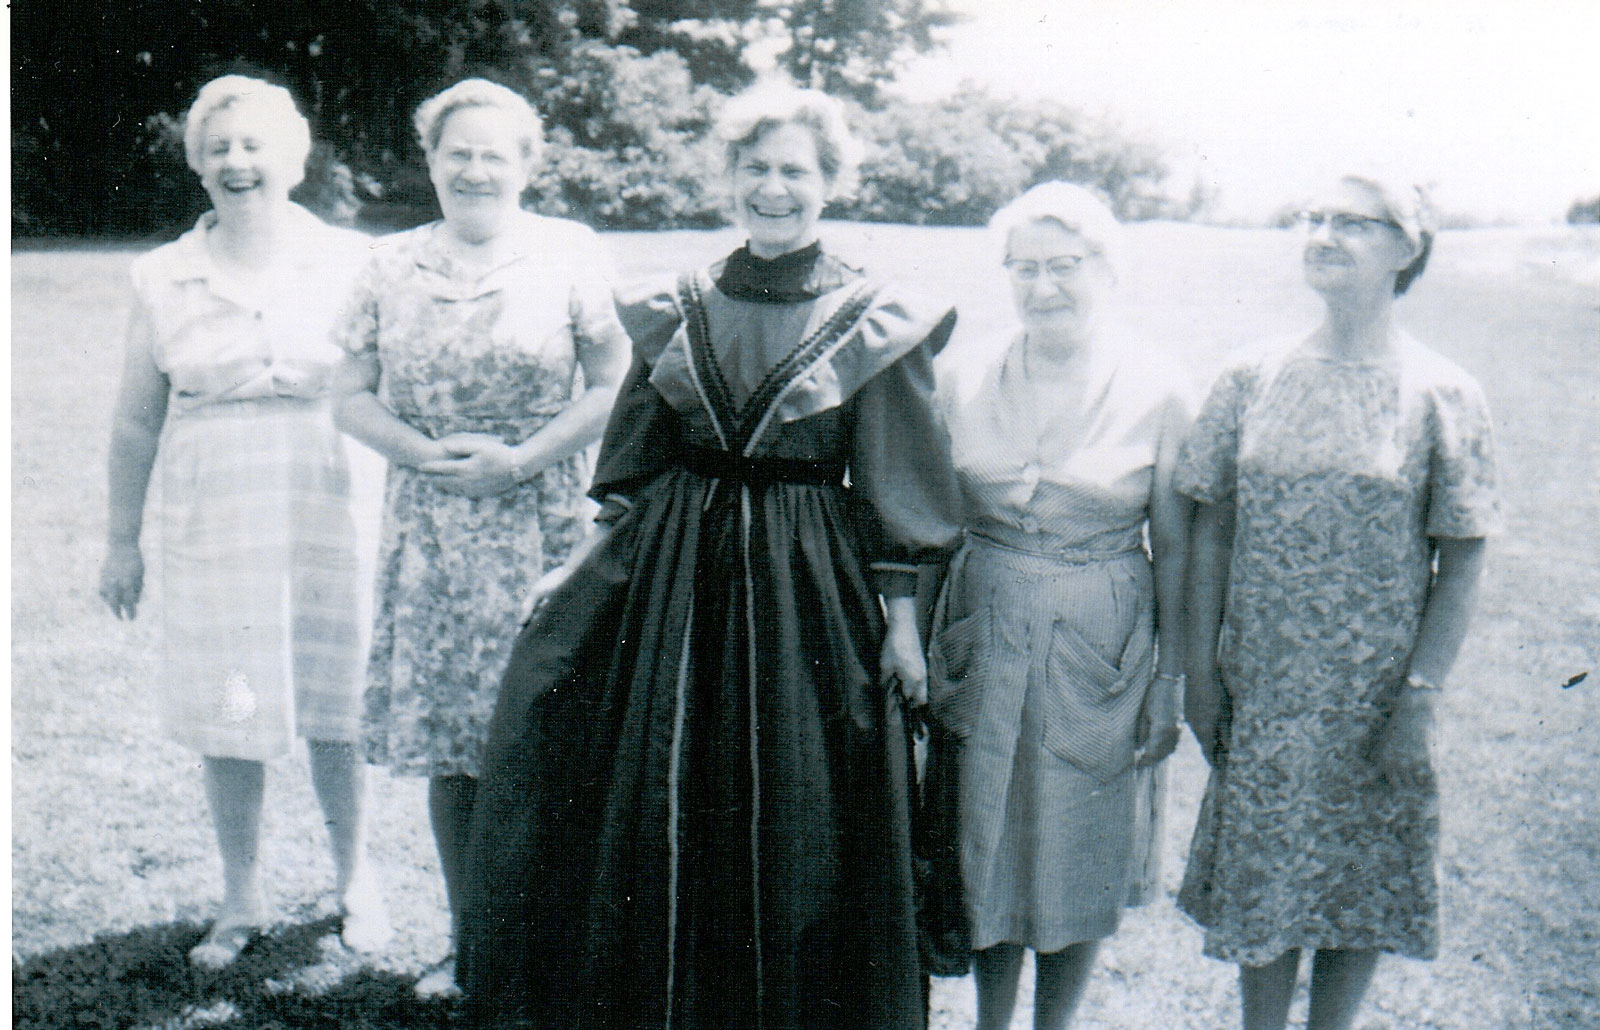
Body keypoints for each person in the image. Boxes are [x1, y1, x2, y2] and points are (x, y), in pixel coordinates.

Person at [456, 82, 962, 1029]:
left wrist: (902, 631)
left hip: (807, 584)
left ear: (832, 183)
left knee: (797, 799)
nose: (774, 188)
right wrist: (575, 567)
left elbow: (900, 489)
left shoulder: (873, 315)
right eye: (755, 168)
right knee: (658, 777)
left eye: (795, 171)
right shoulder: (675, 302)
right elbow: (633, 467)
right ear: (728, 177)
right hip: (673, 575)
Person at [1176, 175, 1501, 1030]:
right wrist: (1202, 679)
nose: (1323, 233)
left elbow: (1462, 557)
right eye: (1313, 216)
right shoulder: (1251, 375)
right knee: (1268, 877)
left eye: (1354, 222)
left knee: (1358, 877)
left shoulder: (1444, 392)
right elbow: (1211, 530)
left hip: (1374, 699)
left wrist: (1419, 699)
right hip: (1267, 690)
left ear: (1409, 248)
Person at [331, 77, 631, 999]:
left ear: (528, 165)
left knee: (557, 733)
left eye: (494, 153)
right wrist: (422, 454)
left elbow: (614, 382)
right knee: (457, 747)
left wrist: (524, 457)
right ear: (429, 162)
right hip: (434, 532)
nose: (473, 169)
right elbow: (346, 395)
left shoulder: (569, 252)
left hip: (547, 524)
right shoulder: (386, 265)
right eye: (455, 152)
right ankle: (475, 942)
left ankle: (565, 942)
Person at [98, 74, 388, 970]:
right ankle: (242, 892)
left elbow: (389, 386)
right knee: (233, 701)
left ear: (295, 159)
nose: (237, 162)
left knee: (338, 703)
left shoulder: (356, 264)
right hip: (215, 510)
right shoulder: (161, 274)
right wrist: (120, 541)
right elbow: (135, 420)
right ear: (196, 165)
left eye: (255, 145)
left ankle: (355, 882)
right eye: (218, 148)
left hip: (331, 498)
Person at [927, 182, 1191, 1030]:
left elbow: (1179, 548)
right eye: (1025, 268)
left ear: (1106, 269)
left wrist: (1167, 681)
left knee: (1078, 844)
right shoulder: (963, 374)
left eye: (1065, 266)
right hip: (986, 621)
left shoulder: (1159, 386)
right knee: (987, 836)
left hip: (1101, 642)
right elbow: (932, 523)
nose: (1045, 287)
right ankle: (991, 1022)